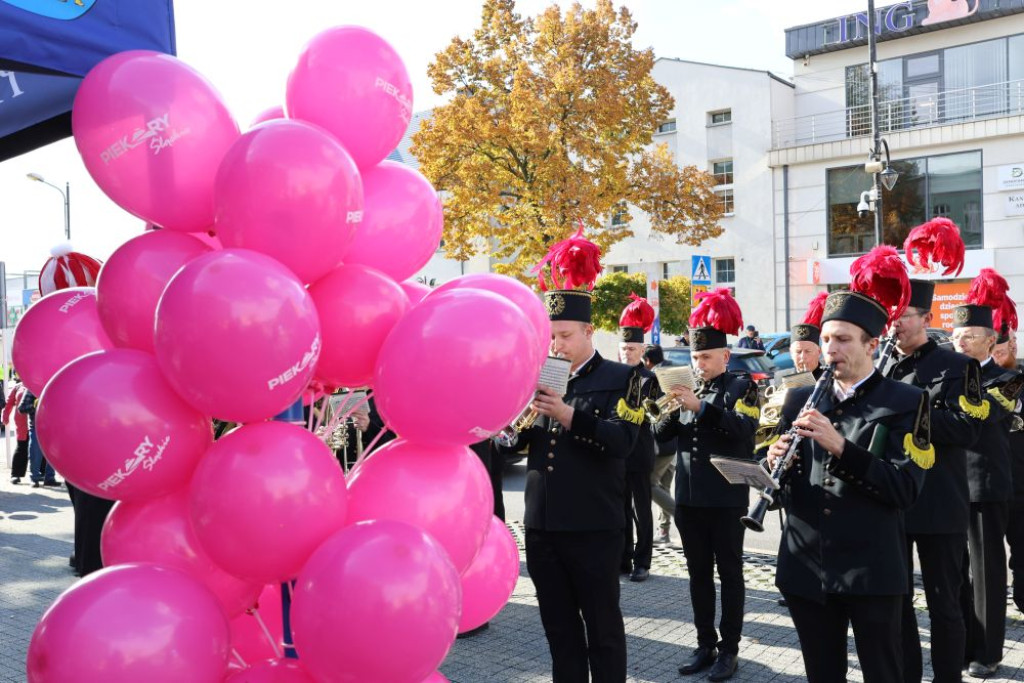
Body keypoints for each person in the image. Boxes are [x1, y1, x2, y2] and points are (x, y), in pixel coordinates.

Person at [768, 264, 931, 683]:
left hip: (871, 571)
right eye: (825, 340)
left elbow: (904, 489)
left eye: (842, 339)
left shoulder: (908, 400)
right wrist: (774, 465)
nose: (830, 349)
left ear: (872, 344)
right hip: (807, 569)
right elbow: (792, 486)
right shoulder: (801, 398)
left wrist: (840, 447)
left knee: (883, 672)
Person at [500, 230, 642, 683]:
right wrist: (509, 428)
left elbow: (623, 443)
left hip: (595, 528)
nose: (556, 344)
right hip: (543, 527)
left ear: (587, 331)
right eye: (551, 336)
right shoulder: (538, 377)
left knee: (602, 629)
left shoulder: (628, 377)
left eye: (564, 335)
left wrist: (566, 414)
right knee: (558, 630)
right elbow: (520, 444)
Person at [881, 278, 983, 683]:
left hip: (940, 502)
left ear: (926, 317)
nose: (895, 325)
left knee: (944, 604)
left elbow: (967, 428)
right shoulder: (882, 367)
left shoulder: (960, 366)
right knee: (898, 603)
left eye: (903, 316)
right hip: (893, 499)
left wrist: (909, 411)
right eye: (890, 317)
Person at [657, 287, 758, 682]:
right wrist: (671, 407)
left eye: (706, 357)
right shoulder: (688, 390)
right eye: (695, 358)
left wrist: (701, 408)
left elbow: (745, 431)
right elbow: (660, 435)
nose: (699, 364)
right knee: (698, 575)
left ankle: (729, 650)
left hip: (726, 499)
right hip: (690, 500)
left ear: (725, 357)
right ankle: (705, 644)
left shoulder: (741, 386)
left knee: (730, 575)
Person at [949, 271, 1021, 678]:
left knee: (987, 571)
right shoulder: (948, 376)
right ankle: (961, 642)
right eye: (956, 336)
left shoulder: (1008, 379)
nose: (959, 343)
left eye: (969, 336)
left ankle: (989, 650)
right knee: (953, 569)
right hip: (948, 485)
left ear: (991, 342)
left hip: (986, 485)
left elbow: (982, 414)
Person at [617, 294, 658, 583]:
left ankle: (643, 561)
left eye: (631, 349)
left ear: (641, 349)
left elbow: (654, 414)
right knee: (619, 509)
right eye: (623, 349)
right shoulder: (613, 374)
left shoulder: (650, 378)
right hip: (617, 451)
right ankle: (622, 558)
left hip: (640, 450)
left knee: (642, 509)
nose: (626, 354)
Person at [994, 327, 1024, 614]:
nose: (1010, 351)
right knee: (985, 558)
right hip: (989, 485)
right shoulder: (975, 383)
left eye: (1012, 344)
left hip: (1021, 485)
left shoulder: (1021, 379)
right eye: (1002, 349)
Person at [643, 344, 676, 545]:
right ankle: (663, 532)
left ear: (647, 361)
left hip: (660, 443)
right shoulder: (671, 372)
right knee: (664, 486)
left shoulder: (654, 377)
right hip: (672, 444)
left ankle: (681, 516)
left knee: (649, 485)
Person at [17, 387, 58, 487]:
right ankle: (34, 479)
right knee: (35, 454)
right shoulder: (31, 389)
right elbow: (21, 409)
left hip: (53, 428)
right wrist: (36, 405)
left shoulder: (56, 387)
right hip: (37, 427)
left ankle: (50, 478)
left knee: (53, 455)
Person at [789, 292, 828, 377]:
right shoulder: (779, 378)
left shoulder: (830, 380)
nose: (803, 357)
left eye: (808, 351)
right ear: (791, 353)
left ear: (818, 352)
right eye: (798, 352)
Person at [3, 372, 29, 484]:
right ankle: (16, 474)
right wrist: (5, 416)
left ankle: (42, 474)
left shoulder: (40, 385)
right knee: (21, 447)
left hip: (38, 423)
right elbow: (8, 403)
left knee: (39, 449)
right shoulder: (18, 387)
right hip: (22, 423)